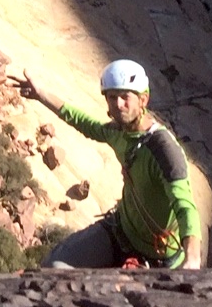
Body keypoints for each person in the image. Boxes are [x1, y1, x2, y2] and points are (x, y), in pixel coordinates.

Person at [12, 59, 202, 269]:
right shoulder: (119, 132)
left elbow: (185, 207)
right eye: (112, 97)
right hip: (120, 232)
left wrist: (192, 259)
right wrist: (41, 94)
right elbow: (84, 123)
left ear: (143, 99)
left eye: (125, 97)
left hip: (158, 257)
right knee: (55, 266)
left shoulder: (164, 150)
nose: (118, 104)